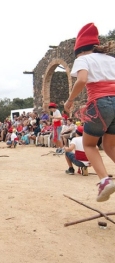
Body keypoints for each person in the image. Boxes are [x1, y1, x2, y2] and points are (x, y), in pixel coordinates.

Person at [64, 22, 115, 202]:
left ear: (79, 50)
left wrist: (70, 100)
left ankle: (104, 181)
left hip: (100, 103)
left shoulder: (83, 59)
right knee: (110, 146)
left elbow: (82, 80)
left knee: (90, 144)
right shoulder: (111, 59)